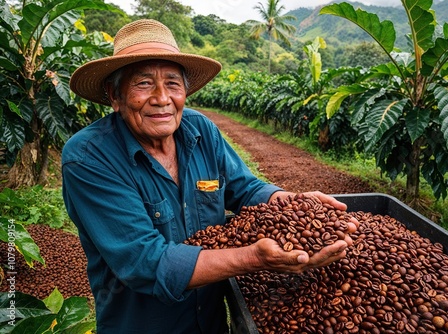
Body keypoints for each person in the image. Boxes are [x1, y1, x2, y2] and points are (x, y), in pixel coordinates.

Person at [62, 19, 359, 334]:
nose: (162, 98)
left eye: (173, 84)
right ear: (114, 94)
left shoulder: (199, 129)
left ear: (185, 91)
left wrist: (290, 203)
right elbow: (144, 262)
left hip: (213, 322)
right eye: (144, 83)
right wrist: (256, 258)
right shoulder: (89, 157)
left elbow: (244, 189)